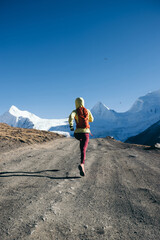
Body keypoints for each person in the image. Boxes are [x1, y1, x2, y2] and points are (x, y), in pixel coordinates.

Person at [68, 97, 94, 176]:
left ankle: (81, 142)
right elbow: (91, 120)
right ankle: (82, 164)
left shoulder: (75, 111)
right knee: (84, 149)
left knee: (81, 143)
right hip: (86, 133)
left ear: (76, 103)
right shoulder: (87, 111)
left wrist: (71, 126)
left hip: (77, 133)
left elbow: (70, 117)